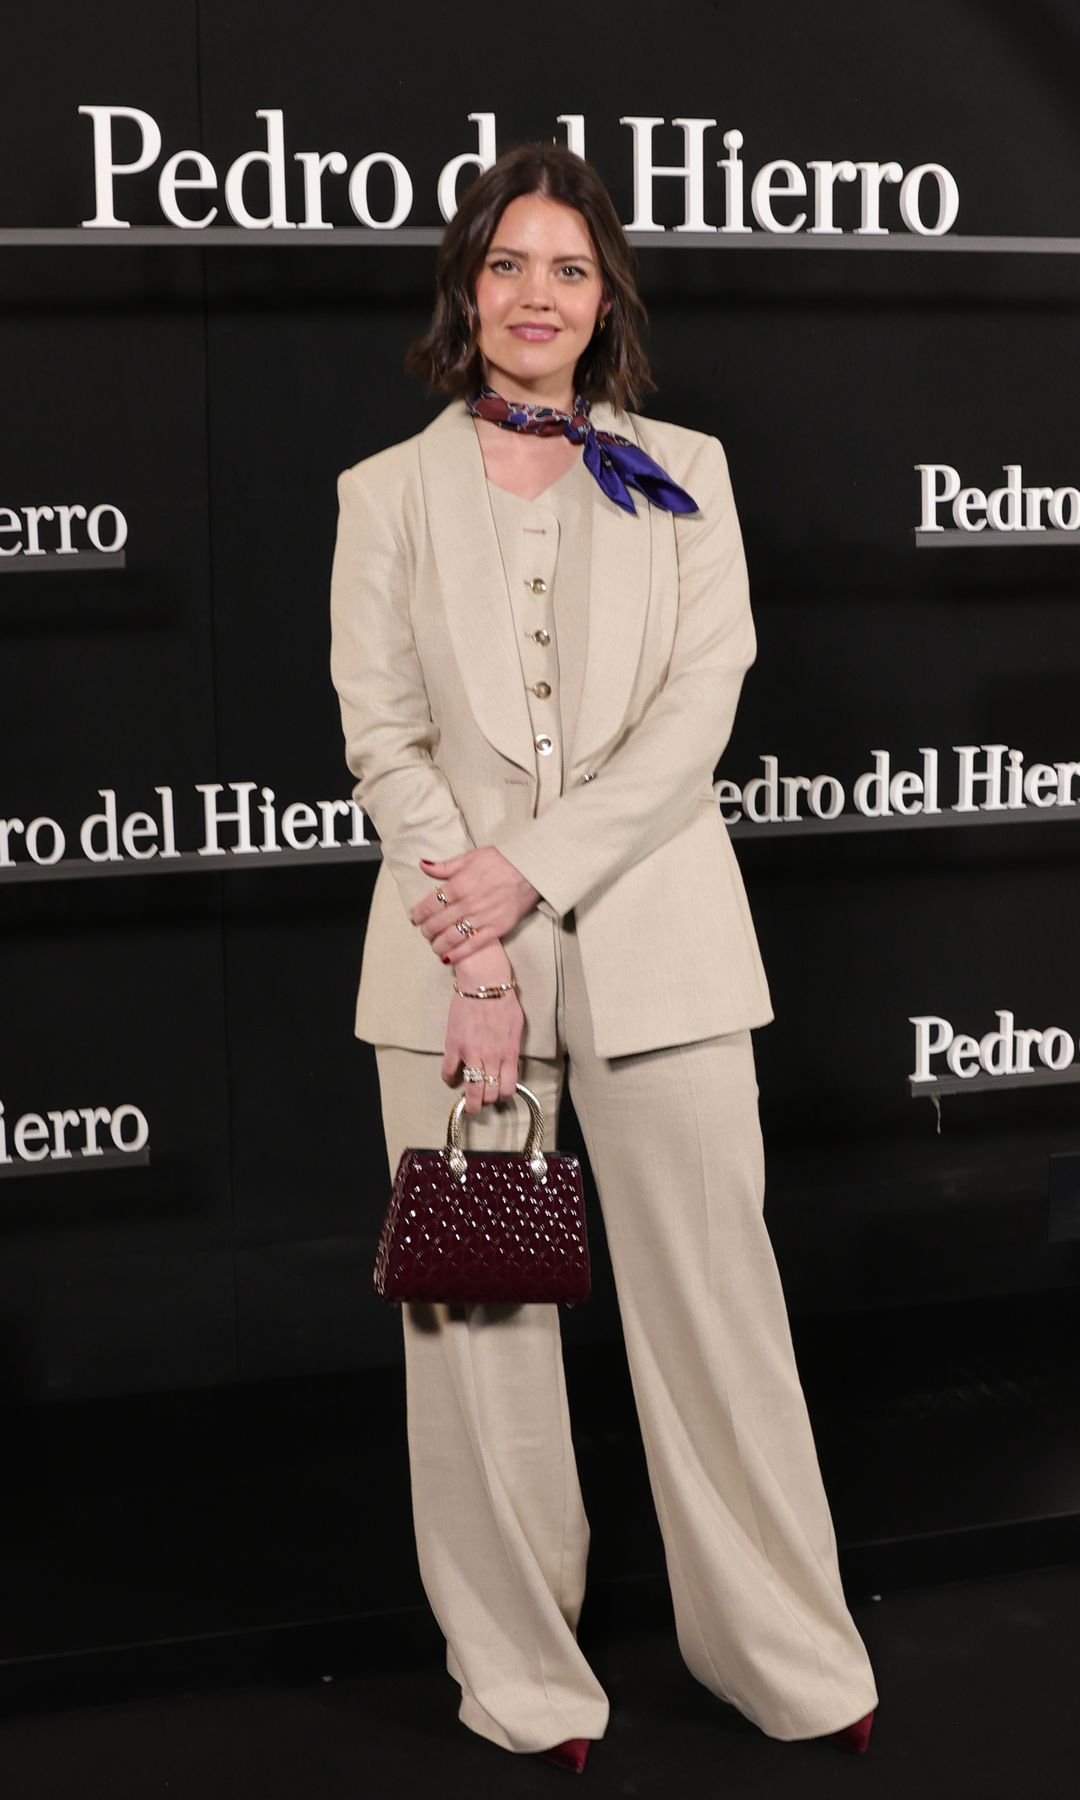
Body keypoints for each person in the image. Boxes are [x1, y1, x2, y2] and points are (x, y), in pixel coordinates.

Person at [329, 141, 879, 1773]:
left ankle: (782, 1649)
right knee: (479, 1322)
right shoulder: (382, 493)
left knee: (716, 1304)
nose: (536, 296)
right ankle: (526, 1679)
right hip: (449, 968)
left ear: (604, 298)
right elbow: (382, 733)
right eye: (508, 265)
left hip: (665, 944)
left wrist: (530, 874)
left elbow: (693, 724)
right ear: (466, 289)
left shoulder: (685, 469)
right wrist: (480, 940)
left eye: (568, 268)